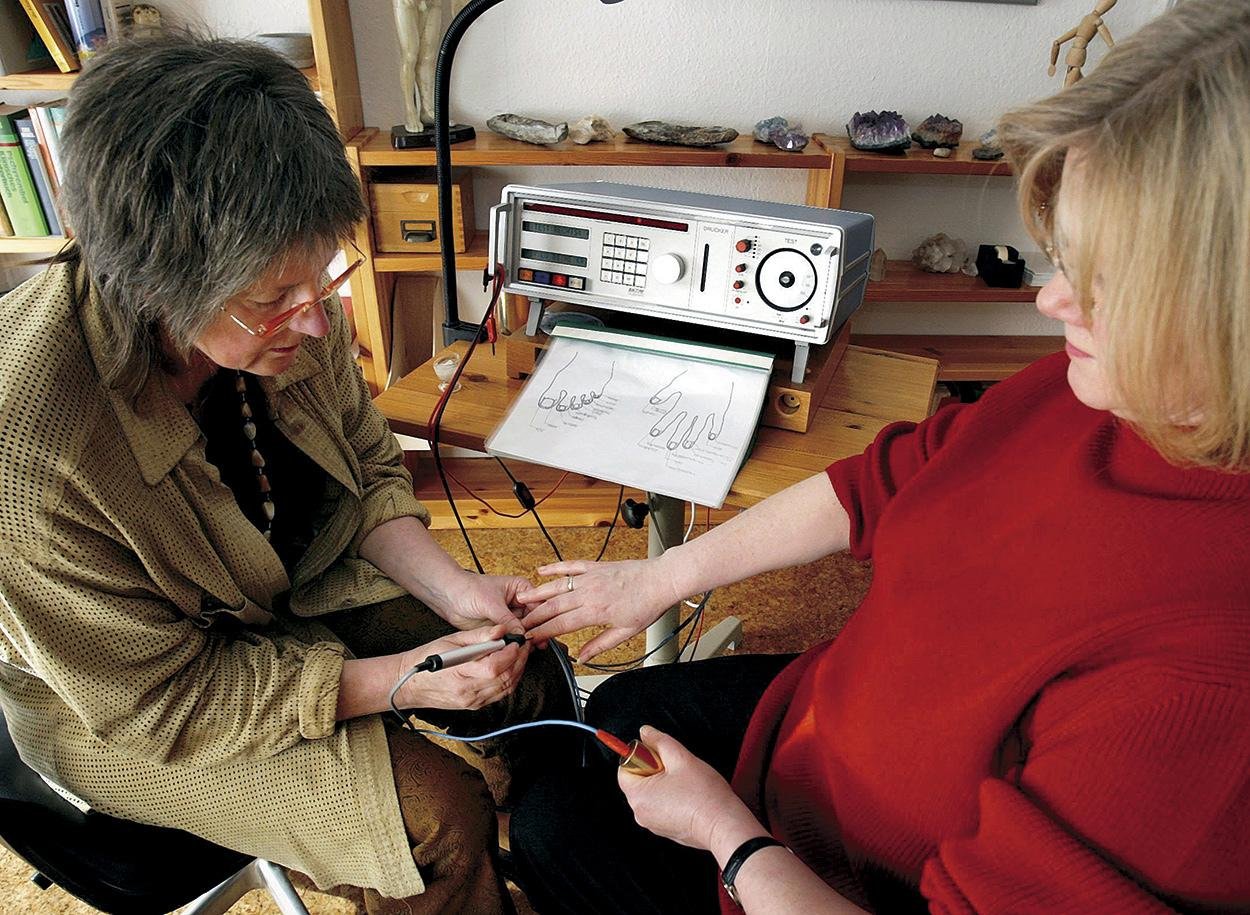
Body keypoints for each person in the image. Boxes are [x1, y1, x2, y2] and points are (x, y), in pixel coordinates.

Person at [508, 1, 1250, 912]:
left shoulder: (1216, 687)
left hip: (827, 876)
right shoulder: (1084, 387)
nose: (1050, 301)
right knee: (614, 713)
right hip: (811, 722)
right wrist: (659, 578)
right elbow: (874, 485)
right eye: (1065, 258)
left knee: (550, 825)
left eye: (1107, 282)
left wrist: (725, 836)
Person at [0, 35, 566, 915]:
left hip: (284, 583)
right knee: (435, 821)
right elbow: (159, 704)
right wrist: (404, 676)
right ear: (158, 285)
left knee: (528, 665)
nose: (317, 321)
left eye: (323, 276)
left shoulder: (287, 298)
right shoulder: (33, 458)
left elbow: (366, 467)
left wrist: (455, 593)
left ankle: (556, 869)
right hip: (131, 707)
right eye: (272, 300)